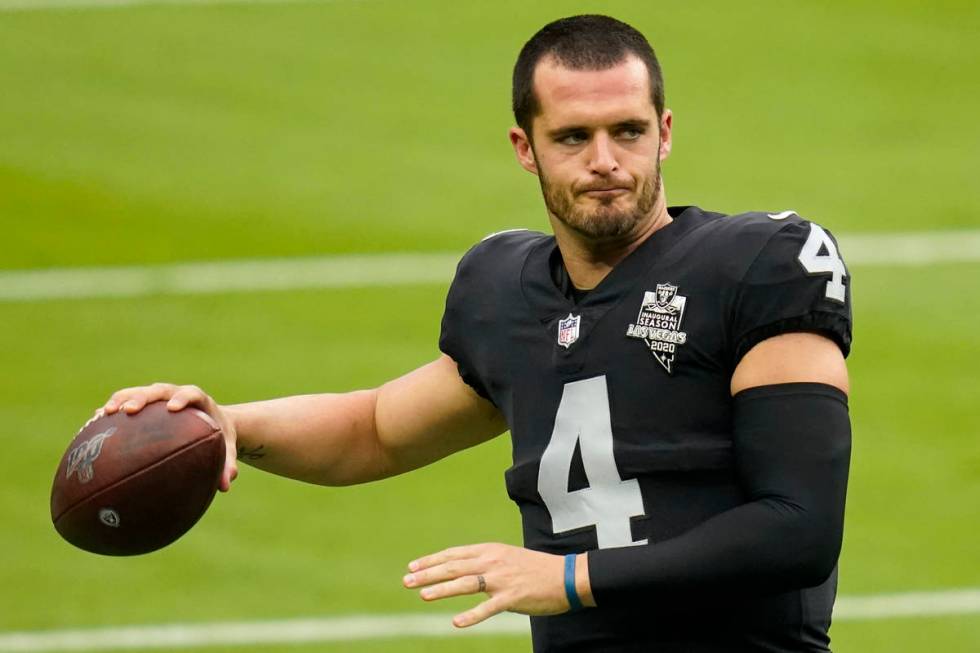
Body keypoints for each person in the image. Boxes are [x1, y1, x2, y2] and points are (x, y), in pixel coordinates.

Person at [102, 15, 852, 653]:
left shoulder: (757, 266)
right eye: (572, 136)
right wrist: (224, 424)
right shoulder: (507, 290)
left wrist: (569, 577)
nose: (604, 161)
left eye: (627, 131)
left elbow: (799, 527)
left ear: (664, 133)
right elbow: (375, 429)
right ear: (525, 148)